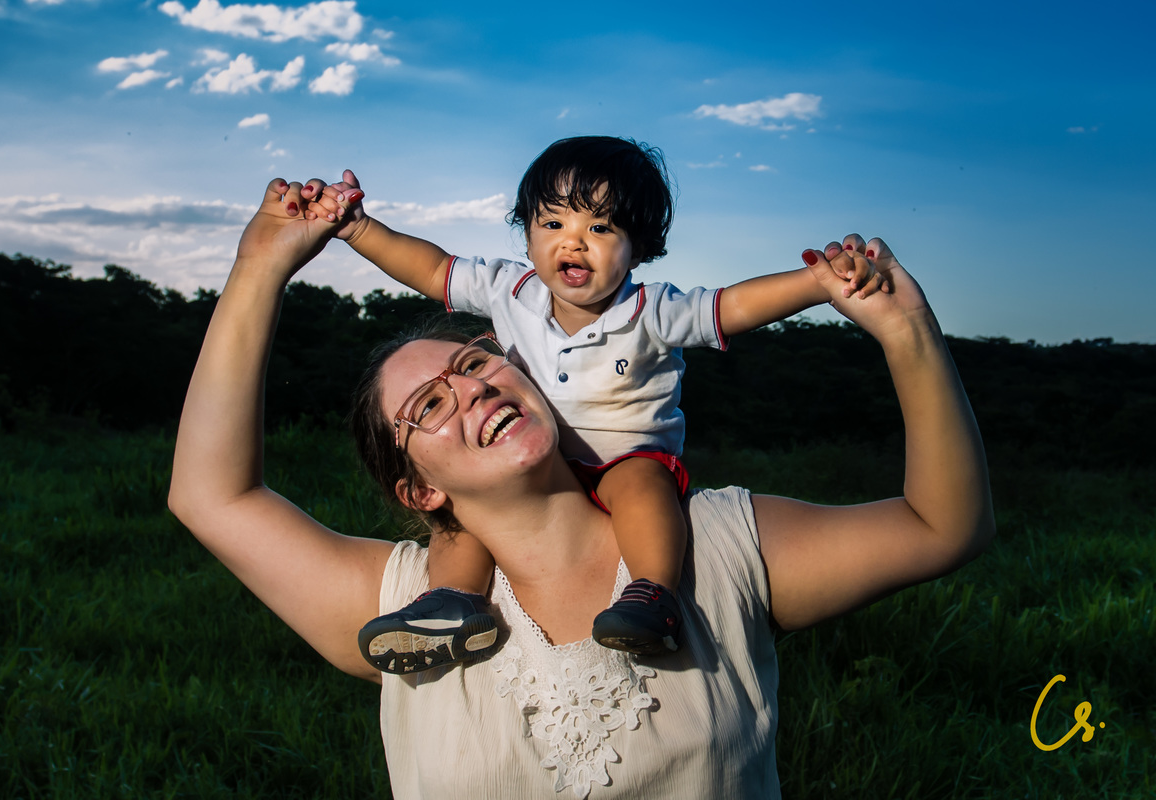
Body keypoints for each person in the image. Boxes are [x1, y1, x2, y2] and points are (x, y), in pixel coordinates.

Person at [168, 178, 994, 799]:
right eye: (430, 406)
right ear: (417, 491)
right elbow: (211, 496)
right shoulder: (401, 606)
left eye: (475, 364)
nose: (472, 390)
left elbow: (942, 526)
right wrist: (261, 265)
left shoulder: (717, 547)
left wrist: (906, 330)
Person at [306, 136, 885, 668]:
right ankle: (450, 604)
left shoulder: (653, 310)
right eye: (552, 221)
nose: (573, 240)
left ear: (638, 247)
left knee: (641, 489)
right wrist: (358, 228)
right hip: (537, 458)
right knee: (463, 521)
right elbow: (432, 268)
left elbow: (731, 306)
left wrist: (817, 284)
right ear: (526, 233)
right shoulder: (510, 289)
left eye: (601, 227)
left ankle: (651, 596)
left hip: (625, 455)